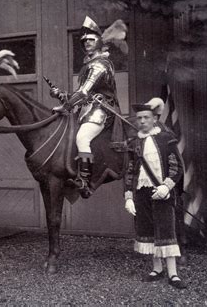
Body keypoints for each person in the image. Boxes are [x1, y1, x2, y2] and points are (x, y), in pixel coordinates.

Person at [51, 16, 126, 198]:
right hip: (87, 110)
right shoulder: (90, 64)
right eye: (84, 41)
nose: (86, 43)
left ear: (99, 42)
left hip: (102, 111)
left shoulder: (100, 65)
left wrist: (66, 107)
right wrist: (61, 95)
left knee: (82, 138)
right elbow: (82, 93)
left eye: (91, 40)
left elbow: (84, 93)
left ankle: (84, 180)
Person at [123, 98, 187, 289]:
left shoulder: (166, 138)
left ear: (154, 119)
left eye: (146, 117)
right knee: (148, 229)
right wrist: (128, 196)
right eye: (139, 118)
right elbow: (130, 170)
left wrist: (167, 187)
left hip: (163, 192)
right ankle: (157, 269)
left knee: (167, 230)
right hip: (142, 192)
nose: (142, 121)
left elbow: (177, 166)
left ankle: (173, 274)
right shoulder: (134, 142)